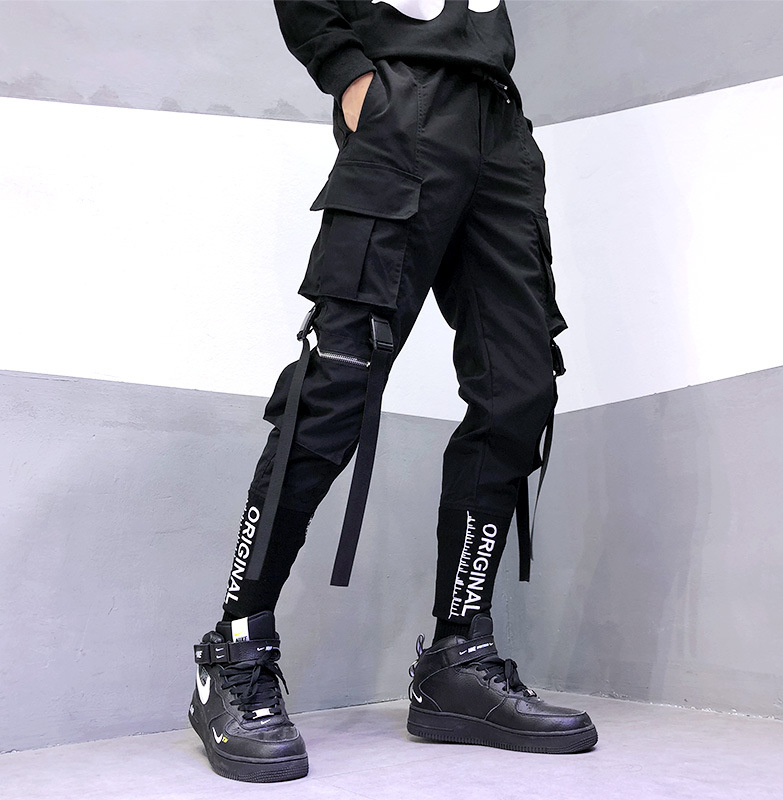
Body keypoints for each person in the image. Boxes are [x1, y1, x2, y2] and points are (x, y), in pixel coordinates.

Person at [188, 0, 598, 782]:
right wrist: (349, 75)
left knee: (519, 389)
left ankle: (458, 658)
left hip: (498, 124)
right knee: (334, 388)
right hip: (401, 109)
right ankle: (234, 652)